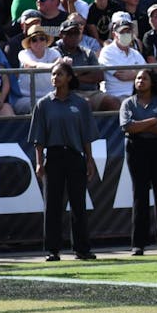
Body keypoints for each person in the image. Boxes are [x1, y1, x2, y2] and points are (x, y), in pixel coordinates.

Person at [28, 59, 99, 262]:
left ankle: (82, 249)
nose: (54, 78)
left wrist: (90, 159)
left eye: (59, 74)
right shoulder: (43, 105)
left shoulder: (80, 104)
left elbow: (86, 135)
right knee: (52, 205)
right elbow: (38, 137)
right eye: (53, 74)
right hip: (54, 156)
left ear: (69, 78)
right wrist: (39, 161)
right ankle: (53, 249)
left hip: (75, 156)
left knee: (78, 203)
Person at [120, 68, 157, 257]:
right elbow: (127, 127)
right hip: (136, 150)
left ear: (152, 82)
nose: (140, 81)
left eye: (144, 78)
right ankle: (138, 244)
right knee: (140, 196)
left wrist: (141, 125)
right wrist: (153, 121)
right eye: (138, 78)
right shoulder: (127, 103)